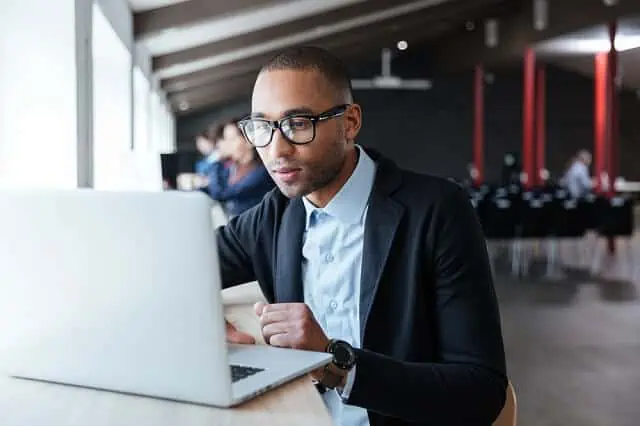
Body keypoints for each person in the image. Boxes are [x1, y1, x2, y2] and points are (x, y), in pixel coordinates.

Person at [218, 46, 507, 426]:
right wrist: (203, 325)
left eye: (299, 123)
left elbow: (480, 392)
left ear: (350, 122)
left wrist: (335, 361)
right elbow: (181, 266)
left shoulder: (438, 212)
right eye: (262, 127)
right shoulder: (277, 214)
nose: (277, 149)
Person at [205, 117, 275, 217]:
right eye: (226, 139)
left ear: (248, 141)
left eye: (232, 139)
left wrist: (216, 160)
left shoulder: (261, 172)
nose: (225, 144)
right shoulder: (234, 168)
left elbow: (221, 193)